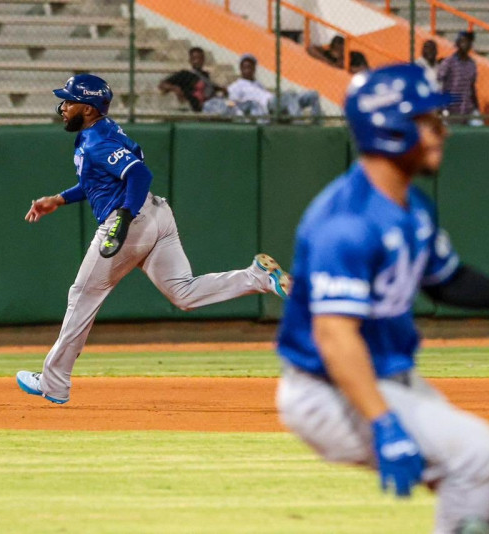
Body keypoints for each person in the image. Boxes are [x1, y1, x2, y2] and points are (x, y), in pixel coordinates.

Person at [275, 63, 489, 534]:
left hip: (387, 379)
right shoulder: (344, 222)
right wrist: (382, 422)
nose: (442, 131)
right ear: (391, 129)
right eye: (428, 122)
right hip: (329, 389)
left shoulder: (413, 205)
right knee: (474, 448)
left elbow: (448, 282)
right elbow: (333, 335)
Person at [16, 74, 292, 404]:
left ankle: (54, 383)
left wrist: (124, 214)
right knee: (183, 293)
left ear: (88, 109)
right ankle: (257, 278)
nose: (62, 107)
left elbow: (139, 174)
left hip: (131, 221)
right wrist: (59, 199)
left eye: (69, 101)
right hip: (156, 215)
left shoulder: (97, 141)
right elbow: (100, 181)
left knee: (83, 295)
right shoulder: (100, 130)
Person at [226, 54, 321, 120]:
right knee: (289, 95)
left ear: (254, 68)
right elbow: (232, 104)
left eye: (250, 67)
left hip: (275, 102)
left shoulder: (258, 84)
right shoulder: (236, 86)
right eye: (245, 67)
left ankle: (317, 122)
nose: (248, 70)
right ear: (241, 68)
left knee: (313, 94)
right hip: (267, 107)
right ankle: (299, 123)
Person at [158, 47, 227, 113]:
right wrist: (175, 88)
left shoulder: (205, 75)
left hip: (209, 108)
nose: (197, 61)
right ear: (190, 60)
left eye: (200, 59)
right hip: (194, 109)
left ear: (203, 60)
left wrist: (221, 89)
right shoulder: (184, 74)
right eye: (194, 58)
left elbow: (210, 88)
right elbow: (162, 84)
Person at [438, 31, 479, 121]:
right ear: (457, 43)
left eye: (469, 42)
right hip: (450, 108)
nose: (466, 45)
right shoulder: (448, 62)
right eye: (463, 41)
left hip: (467, 108)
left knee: (478, 127)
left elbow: (472, 87)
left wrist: (477, 108)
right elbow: (439, 83)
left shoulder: (472, 64)